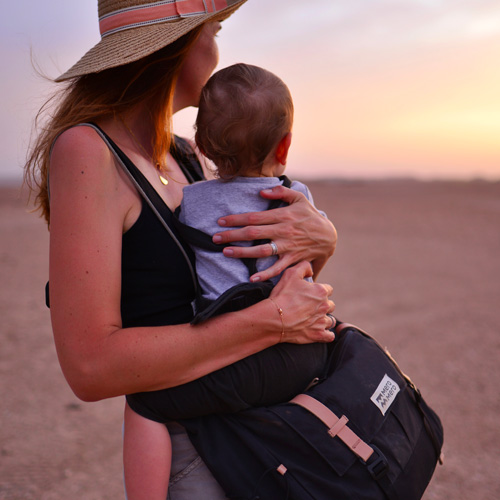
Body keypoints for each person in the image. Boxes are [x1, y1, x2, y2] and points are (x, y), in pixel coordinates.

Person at [24, 1, 337, 498]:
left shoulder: (185, 155)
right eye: (213, 31)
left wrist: (323, 238)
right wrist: (273, 321)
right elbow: (89, 367)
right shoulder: (89, 151)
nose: (217, 49)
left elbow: (243, 274)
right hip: (192, 459)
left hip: (256, 439)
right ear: (178, 45)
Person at [123, 62, 331, 499]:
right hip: (304, 350)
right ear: (286, 145)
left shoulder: (192, 202)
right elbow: (310, 260)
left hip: (240, 354)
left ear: (200, 144)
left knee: (145, 404)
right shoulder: (298, 198)